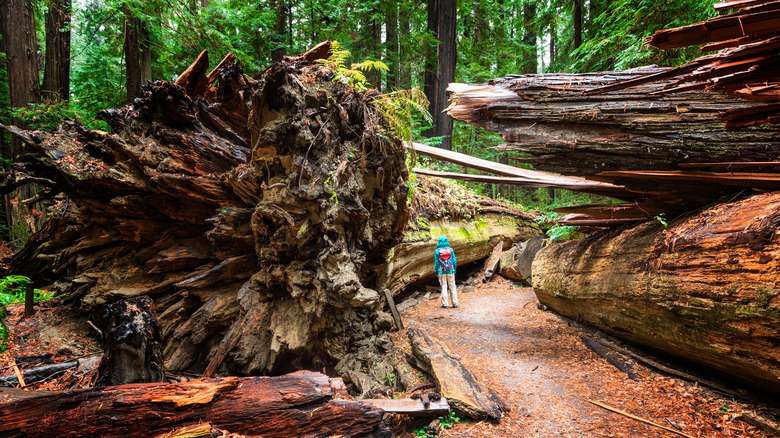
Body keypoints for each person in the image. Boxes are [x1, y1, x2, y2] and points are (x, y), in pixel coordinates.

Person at [434, 236, 458, 308]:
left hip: (441, 271)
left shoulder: (437, 251)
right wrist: (455, 269)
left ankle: (445, 304)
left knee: (444, 287)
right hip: (451, 270)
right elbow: (454, 261)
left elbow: (436, 263)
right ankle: (455, 303)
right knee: (452, 286)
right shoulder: (450, 250)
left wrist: (436, 272)